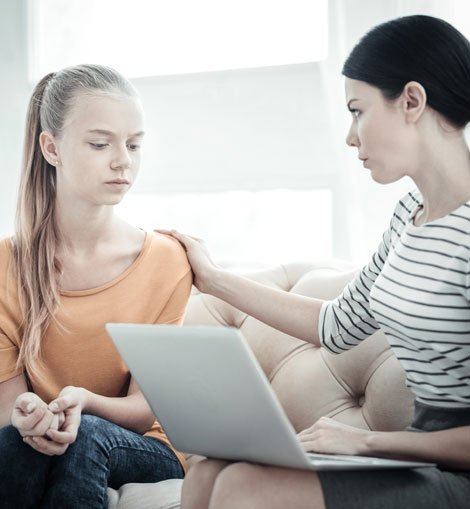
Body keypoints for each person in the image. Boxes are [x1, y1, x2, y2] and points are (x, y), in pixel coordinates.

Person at [160, 14, 470, 509]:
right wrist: (214, 280)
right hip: (418, 451)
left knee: (243, 488)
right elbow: (337, 325)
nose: (350, 137)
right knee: (209, 472)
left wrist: (369, 442)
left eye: (357, 110)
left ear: (411, 100)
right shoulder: (409, 217)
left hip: (453, 467)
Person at [0, 64, 192, 508]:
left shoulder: (164, 261)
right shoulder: (6, 264)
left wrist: (83, 402)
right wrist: (29, 416)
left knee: (85, 436)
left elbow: (145, 411)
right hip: (47, 433)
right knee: (15, 447)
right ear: (52, 148)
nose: (123, 160)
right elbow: (10, 406)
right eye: (100, 144)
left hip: (145, 444)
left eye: (134, 144)